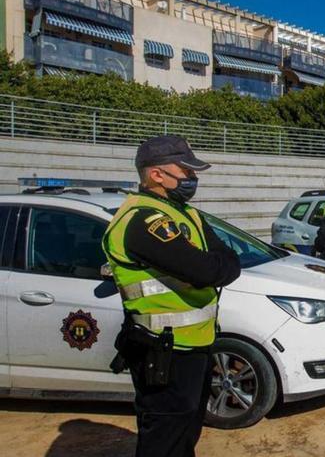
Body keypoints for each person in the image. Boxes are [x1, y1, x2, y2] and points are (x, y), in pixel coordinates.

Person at [102, 135, 241, 457]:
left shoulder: (186, 214)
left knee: (186, 432)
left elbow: (229, 260)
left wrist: (218, 264)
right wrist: (216, 265)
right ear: (156, 175)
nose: (193, 178)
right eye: (186, 171)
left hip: (196, 344)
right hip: (162, 350)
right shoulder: (141, 221)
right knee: (164, 439)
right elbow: (210, 271)